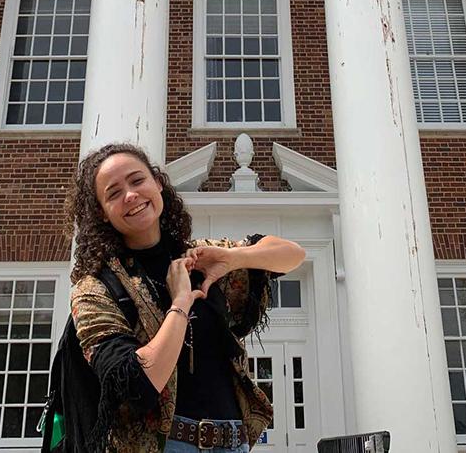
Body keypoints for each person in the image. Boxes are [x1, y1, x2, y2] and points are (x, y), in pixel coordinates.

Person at [63, 143, 306, 452]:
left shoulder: (199, 257)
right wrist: (179, 304)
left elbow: (293, 255)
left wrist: (233, 258)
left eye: (137, 181)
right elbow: (138, 386)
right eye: (113, 193)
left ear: (158, 183)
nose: (131, 195)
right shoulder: (96, 289)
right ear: (102, 213)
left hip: (232, 442)